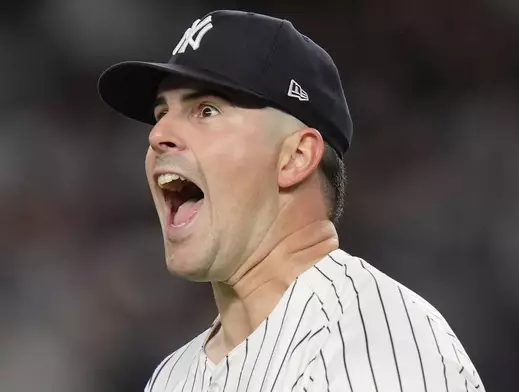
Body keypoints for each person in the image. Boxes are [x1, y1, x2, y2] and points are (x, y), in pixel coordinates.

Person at [97, 9, 485, 392]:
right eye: (161, 112)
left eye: (206, 110)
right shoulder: (172, 377)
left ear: (295, 158)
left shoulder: (370, 343)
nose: (157, 134)